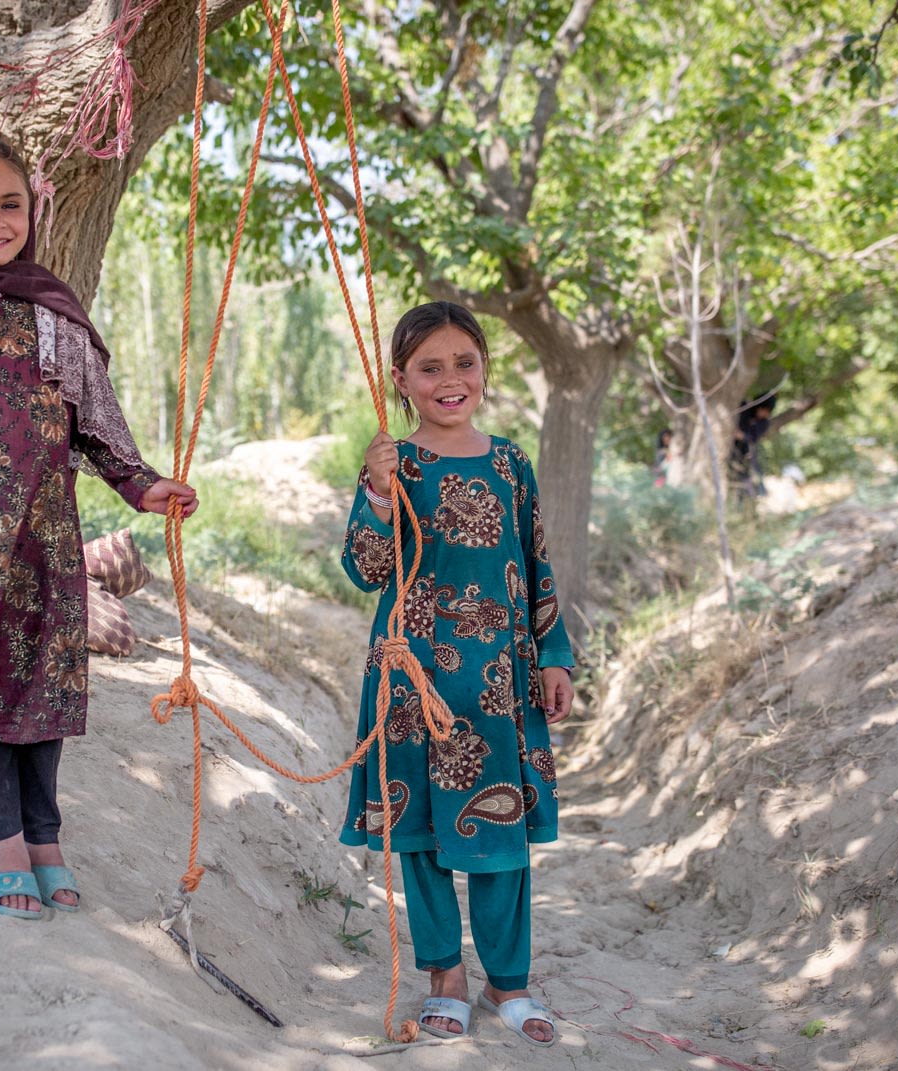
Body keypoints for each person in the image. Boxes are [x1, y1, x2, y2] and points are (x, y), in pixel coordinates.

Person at [0, 136, 197, 920]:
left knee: (40, 686)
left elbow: (92, 421)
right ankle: (1, 842)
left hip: (47, 535)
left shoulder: (50, 303)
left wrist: (142, 483)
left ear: (33, 209)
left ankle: (46, 836)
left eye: (9, 204)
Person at [340, 301, 574, 1045]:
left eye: (464, 363)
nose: (450, 380)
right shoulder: (393, 463)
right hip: (414, 679)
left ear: (484, 370)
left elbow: (536, 566)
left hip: (501, 679)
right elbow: (366, 568)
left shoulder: (510, 462)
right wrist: (377, 492)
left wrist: (556, 656)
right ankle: (445, 975)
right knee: (419, 833)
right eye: (430, 367)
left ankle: (510, 980)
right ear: (401, 380)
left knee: (501, 830)